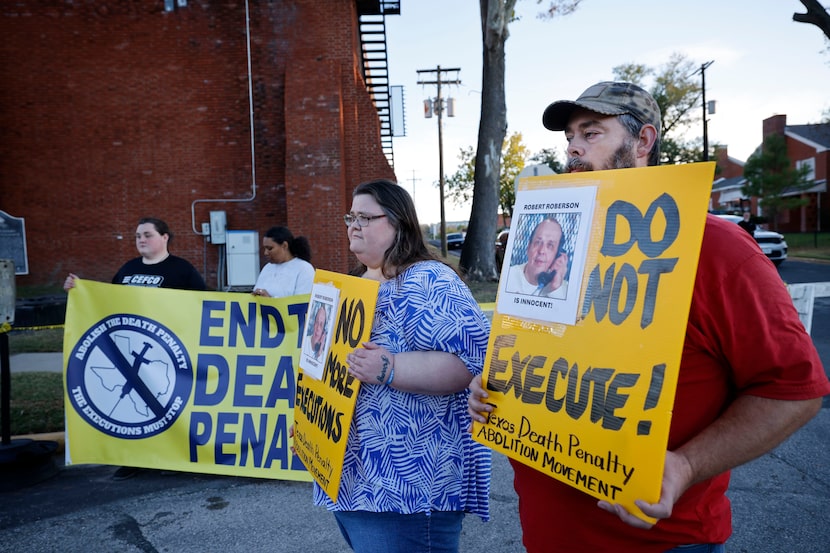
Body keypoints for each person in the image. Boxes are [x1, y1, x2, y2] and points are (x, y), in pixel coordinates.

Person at [468, 81, 830, 552]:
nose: (573, 147)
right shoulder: (560, 245)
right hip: (548, 535)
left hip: (666, 543)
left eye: (592, 132)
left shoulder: (714, 248)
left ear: (643, 142)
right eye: (570, 136)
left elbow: (794, 391)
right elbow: (545, 353)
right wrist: (499, 387)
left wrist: (685, 466)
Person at [313, 178, 492, 553]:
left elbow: (472, 362)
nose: (353, 225)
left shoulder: (427, 279)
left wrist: (391, 367)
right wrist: (312, 428)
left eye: (366, 217)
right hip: (354, 483)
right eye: (351, 216)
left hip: (409, 488)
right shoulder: (351, 285)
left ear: (399, 223)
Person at [64, 216, 207, 480]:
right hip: (129, 355)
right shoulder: (127, 269)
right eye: (138, 236)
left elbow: (204, 306)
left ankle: (175, 455)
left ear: (164, 238)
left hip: (166, 355)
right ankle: (134, 459)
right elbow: (105, 303)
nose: (141, 239)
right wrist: (78, 289)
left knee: (167, 403)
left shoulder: (182, 269)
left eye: (147, 234)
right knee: (134, 410)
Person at [504, 216, 569, 298]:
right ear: (528, 247)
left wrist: (555, 288)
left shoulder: (565, 291)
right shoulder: (508, 276)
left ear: (558, 255)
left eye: (550, 245)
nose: (541, 251)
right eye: (538, 242)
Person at [252, 226, 315, 298]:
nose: (265, 253)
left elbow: (301, 304)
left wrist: (270, 301)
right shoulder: (267, 268)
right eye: (265, 248)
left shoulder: (304, 269)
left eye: (270, 248)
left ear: (284, 245)